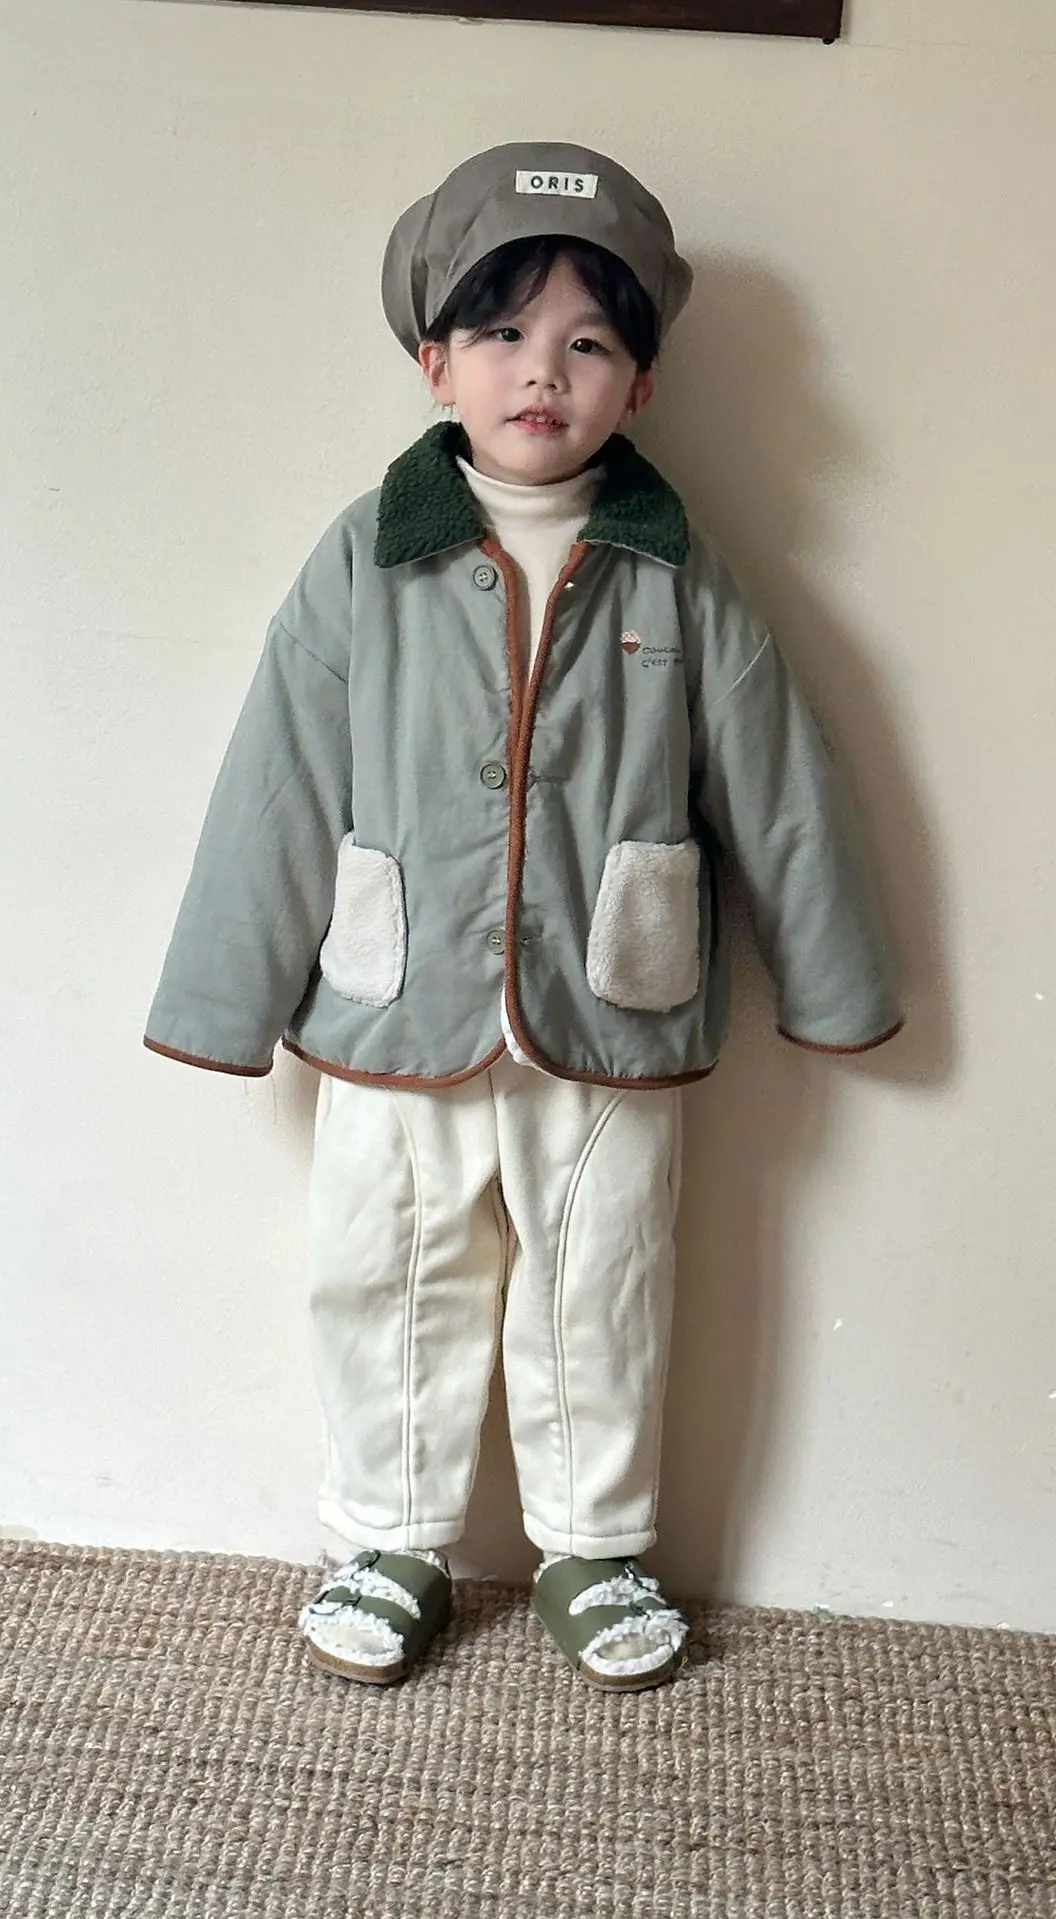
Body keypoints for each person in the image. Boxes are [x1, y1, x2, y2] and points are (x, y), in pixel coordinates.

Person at [144, 143, 901, 1691]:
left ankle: (595, 1544)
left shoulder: (676, 571)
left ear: (642, 383)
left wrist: (835, 982)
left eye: (588, 341)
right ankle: (389, 1533)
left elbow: (777, 779)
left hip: (611, 1002)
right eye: (502, 333)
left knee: (602, 1277)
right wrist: (226, 999)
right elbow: (277, 777)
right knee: (385, 1268)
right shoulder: (369, 553)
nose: (541, 371)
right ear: (435, 360)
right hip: (393, 997)